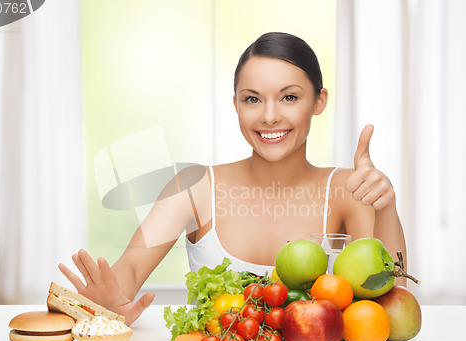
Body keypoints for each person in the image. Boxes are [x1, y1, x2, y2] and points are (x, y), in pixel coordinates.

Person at [59, 32, 406, 325]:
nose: (270, 116)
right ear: (236, 105)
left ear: (318, 101)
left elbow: (392, 305)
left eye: (289, 97)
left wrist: (386, 206)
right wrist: (104, 303)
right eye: (252, 99)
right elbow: (130, 273)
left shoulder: (348, 190)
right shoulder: (194, 187)